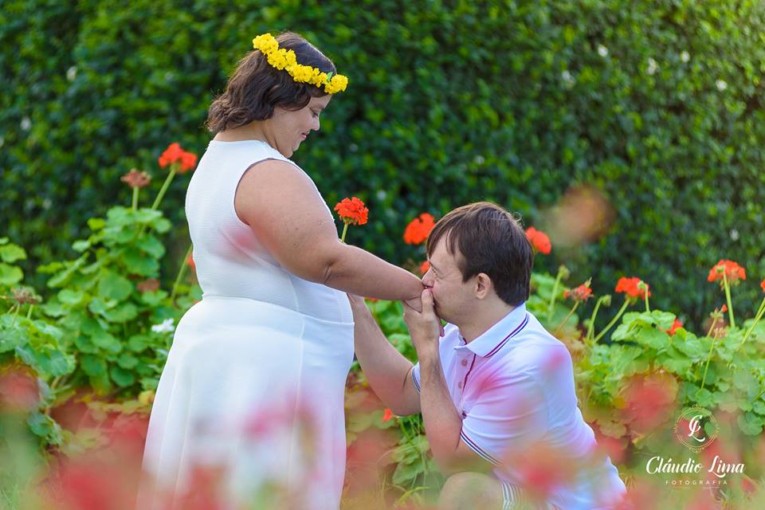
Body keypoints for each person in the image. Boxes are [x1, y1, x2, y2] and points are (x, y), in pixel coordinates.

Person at [139, 32, 423, 510]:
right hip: (266, 373)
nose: (315, 127)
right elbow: (324, 259)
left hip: (242, 360)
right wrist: (414, 288)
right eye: (312, 112)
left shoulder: (220, 161)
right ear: (277, 98)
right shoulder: (262, 169)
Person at [350, 202, 626, 509]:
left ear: (481, 285)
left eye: (437, 273)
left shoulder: (526, 365)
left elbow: (455, 464)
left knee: (466, 492)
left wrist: (428, 352)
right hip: (525, 495)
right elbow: (401, 393)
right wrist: (353, 305)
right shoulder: (466, 336)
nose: (425, 280)